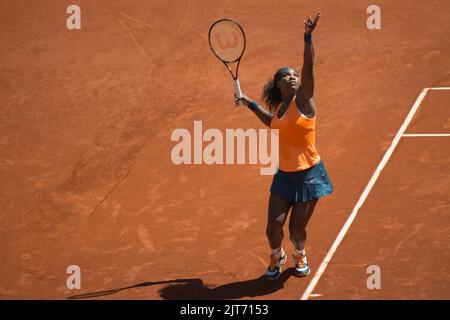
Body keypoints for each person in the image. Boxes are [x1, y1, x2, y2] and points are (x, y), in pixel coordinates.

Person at [235, 13, 333, 280]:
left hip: (310, 175)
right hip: (285, 175)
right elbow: (272, 124)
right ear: (278, 85)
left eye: (294, 76)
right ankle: (276, 256)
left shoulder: (305, 101)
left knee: (296, 231)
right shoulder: (279, 109)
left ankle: (300, 254)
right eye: (285, 76)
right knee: (273, 227)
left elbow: (308, 67)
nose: (292, 78)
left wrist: (308, 37)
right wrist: (249, 103)